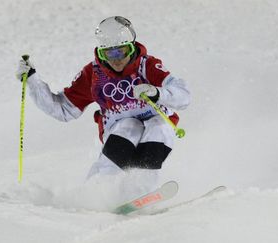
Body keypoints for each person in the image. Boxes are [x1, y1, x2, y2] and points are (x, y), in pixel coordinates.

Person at [16, 16, 190, 197]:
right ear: (100, 53)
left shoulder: (148, 66)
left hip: (158, 120)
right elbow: (63, 110)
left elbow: (183, 96)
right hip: (118, 126)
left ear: (132, 47)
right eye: (109, 53)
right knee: (129, 126)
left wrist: (157, 93)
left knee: (158, 127)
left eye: (121, 52)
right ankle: (96, 190)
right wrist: (33, 81)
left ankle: (140, 188)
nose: (116, 60)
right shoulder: (94, 74)